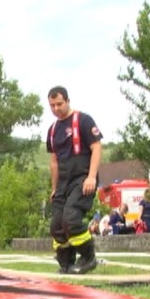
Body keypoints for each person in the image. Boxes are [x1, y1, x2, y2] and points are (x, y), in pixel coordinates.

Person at [46, 86, 102, 274]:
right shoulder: (53, 130)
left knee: (71, 218)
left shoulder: (83, 120)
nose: (56, 109)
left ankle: (88, 258)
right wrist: (54, 189)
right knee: (57, 225)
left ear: (68, 101)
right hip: (63, 182)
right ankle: (66, 263)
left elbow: (97, 147)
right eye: (52, 105)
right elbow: (54, 162)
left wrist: (91, 177)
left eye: (59, 104)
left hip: (82, 178)